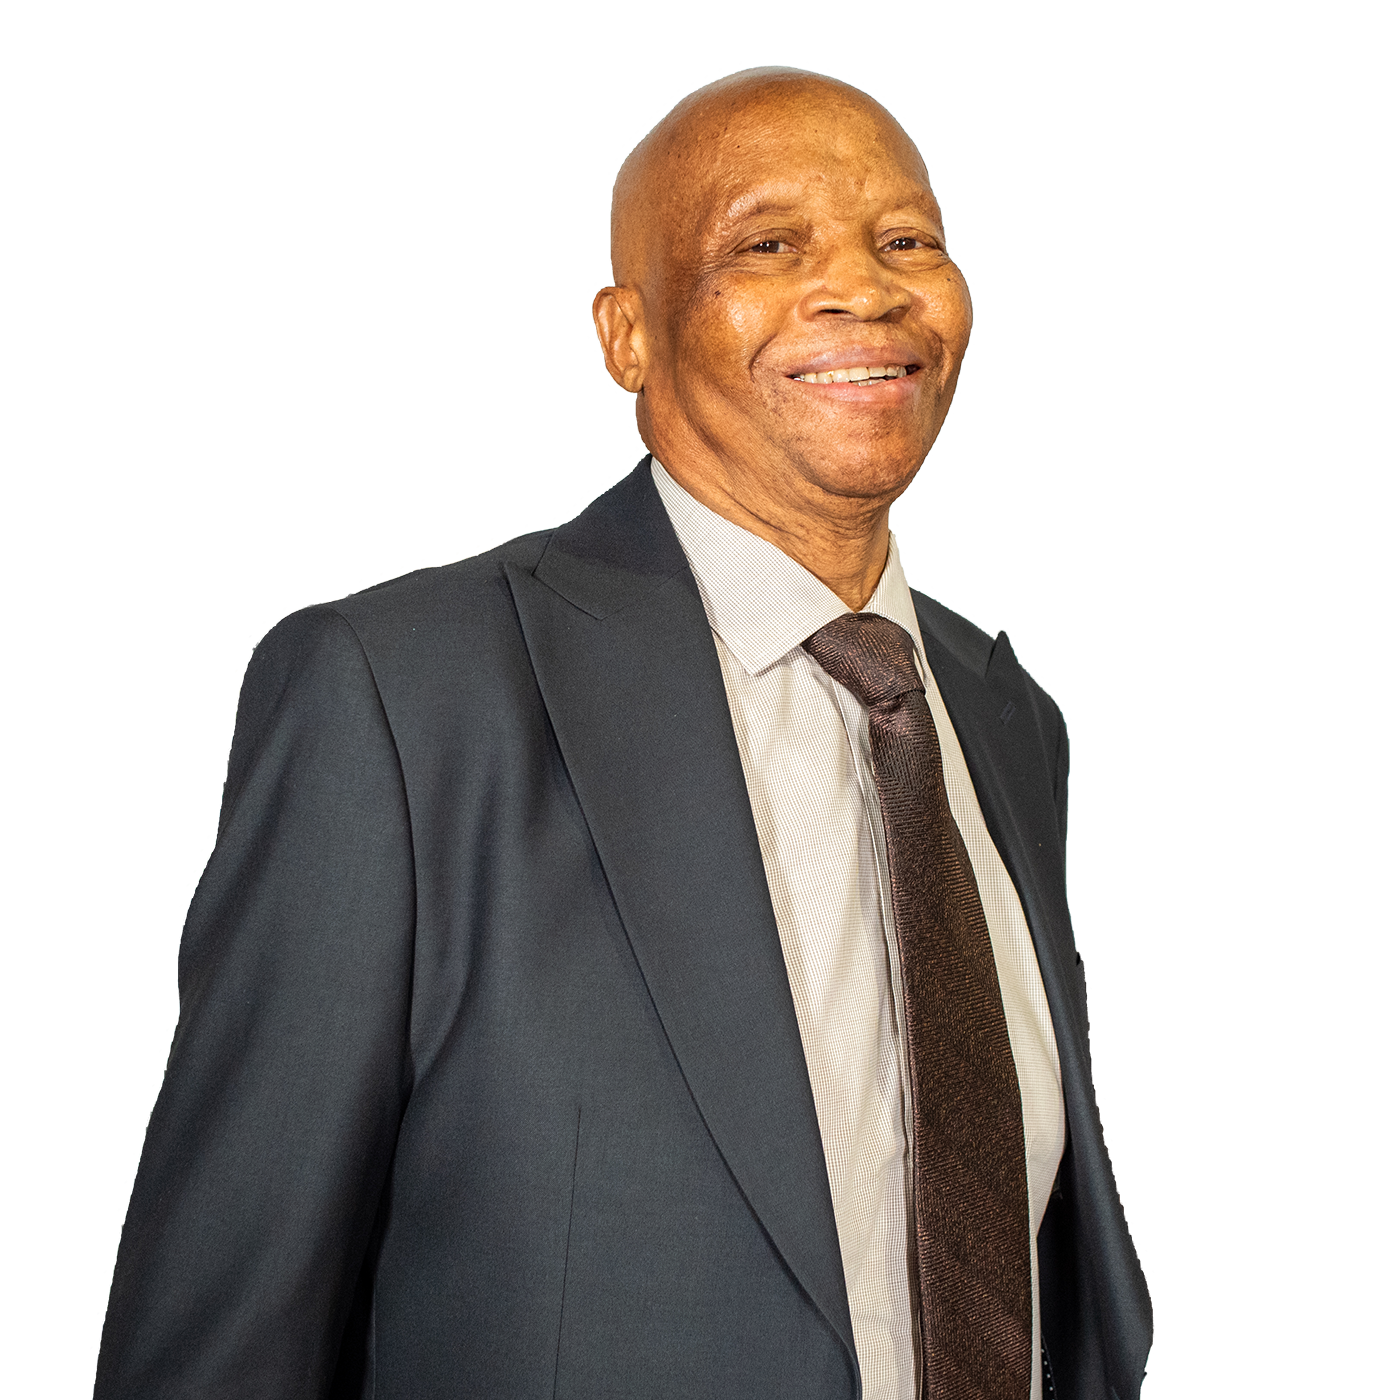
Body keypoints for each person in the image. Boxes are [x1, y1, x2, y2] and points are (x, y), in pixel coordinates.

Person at [94, 67, 1152, 1400]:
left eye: (907, 240)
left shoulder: (1004, 719)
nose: (863, 287)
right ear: (627, 336)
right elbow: (225, 1328)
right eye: (768, 245)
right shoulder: (401, 698)